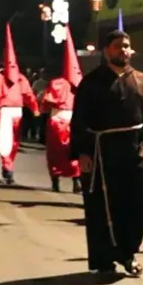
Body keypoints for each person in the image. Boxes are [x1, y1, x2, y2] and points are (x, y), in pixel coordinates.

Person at [69, 29, 143, 277]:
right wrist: (83, 153)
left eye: (127, 46)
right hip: (103, 151)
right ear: (106, 50)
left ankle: (127, 250)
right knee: (105, 207)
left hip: (136, 148)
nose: (124, 50)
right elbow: (79, 120)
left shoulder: (142, 80)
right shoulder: (91, 82)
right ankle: (104, 261)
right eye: (119, 46)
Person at [0, 24, 40, 184]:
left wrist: (35, 108)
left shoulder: (21, 79)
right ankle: (8, 168)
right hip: (4, 112)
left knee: (15, 141)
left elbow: (29, 96)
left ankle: (8, 166)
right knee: (5, 141)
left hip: (17, 112)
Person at [41, 28, 83, 193]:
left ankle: (57, 181)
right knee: (74, 152)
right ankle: (75, 182)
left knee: (56, 154)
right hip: (70, 121)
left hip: (58, 122)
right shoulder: (80, 83)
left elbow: (47, 103)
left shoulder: (56, 83)